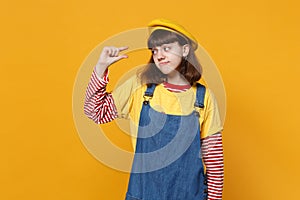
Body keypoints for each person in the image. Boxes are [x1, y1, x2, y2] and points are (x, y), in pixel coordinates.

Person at [84, 18, 224, 200]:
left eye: (167, 48)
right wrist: (101, 66)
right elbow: (95, 111)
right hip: (144, 194)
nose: (159, 55)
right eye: (155, 50)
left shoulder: (203, 98)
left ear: (185, 49)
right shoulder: (140, 88)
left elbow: (214, 162)